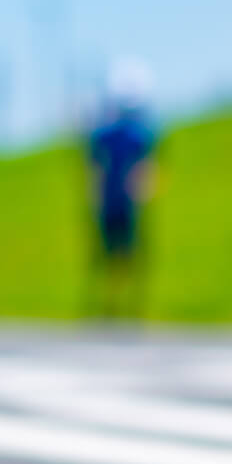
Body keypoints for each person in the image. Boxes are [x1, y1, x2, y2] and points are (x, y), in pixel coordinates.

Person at [85, 62, 159, 318]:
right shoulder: (114, 134)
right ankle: (112, 305)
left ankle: (128, 305)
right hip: (115, 201)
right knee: (111, 255)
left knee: (127, 254)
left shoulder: (133, 134)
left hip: (121, 201)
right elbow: (96, 168)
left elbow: (145, 168)